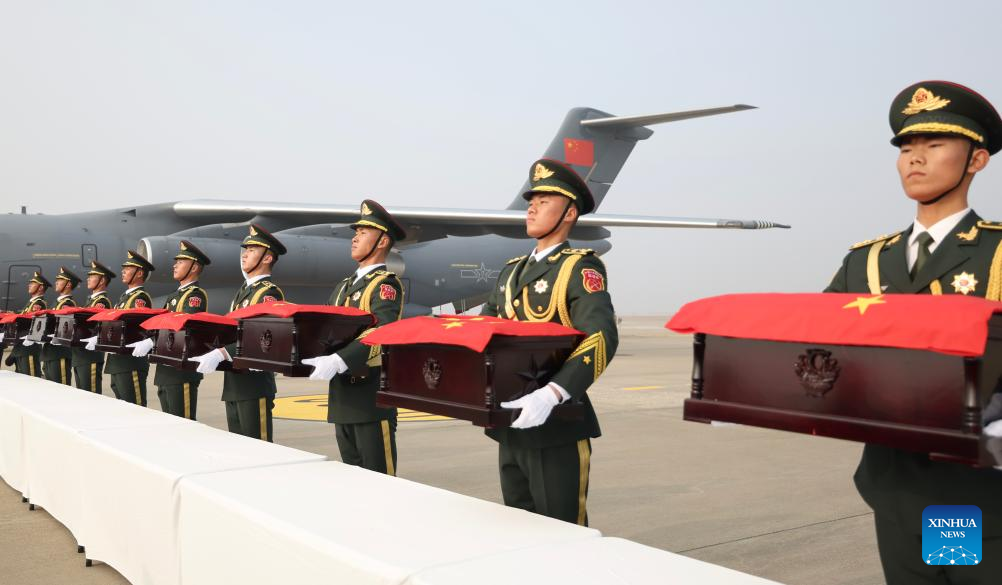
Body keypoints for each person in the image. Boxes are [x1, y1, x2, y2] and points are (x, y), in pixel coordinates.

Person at [825, 81, 1002, 584]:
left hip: (969, 489)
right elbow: (821, 343)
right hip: (892, 483)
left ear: (976, 160)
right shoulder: (866, 260)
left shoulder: (996, 253)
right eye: (906, 148)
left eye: (934, 144)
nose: (914, 159)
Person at [481, 158, 618, 525]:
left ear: (569, 213)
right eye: (532, 201)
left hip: (556, 424)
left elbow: (601, 336)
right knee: (521, 531)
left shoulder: (578, 267)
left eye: (544, 202)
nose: (532, 207)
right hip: (510, 424)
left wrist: (554, 393)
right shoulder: (511, 271)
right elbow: (482, 329)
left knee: (564, 531)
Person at [303, 200, 406, 475]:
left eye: (363, 232)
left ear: (382, 241)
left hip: (370, 398)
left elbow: (383, 331)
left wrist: (341, 359)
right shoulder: (342, 287)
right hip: (341, 397)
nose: (355, 238)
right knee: (354, 480)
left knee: (380, 481)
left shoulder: (385, 284)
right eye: (356, 232)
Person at [193, 224, 285, 441]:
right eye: (245, 249)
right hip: (235, 383)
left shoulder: (268, 294)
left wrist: (223, 353)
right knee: (241, 448)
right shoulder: (243, 292)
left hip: (254, 385)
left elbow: (263, 337)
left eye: (252, 250)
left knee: (259, 448)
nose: (244, 254)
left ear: (267, 258)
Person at [131, 241, 210, 419]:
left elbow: (183, 326)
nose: (175, 265)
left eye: (181, 262)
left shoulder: (195, 295)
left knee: (183, 423)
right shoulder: (175, 296)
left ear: (194, 267)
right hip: (166, 368)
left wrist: (152, 340)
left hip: (181, 371)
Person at [104, 250, 154, 406]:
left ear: (139, 273)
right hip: (118, 362)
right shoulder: (124, 298)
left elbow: (135, 328)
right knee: (123, 408)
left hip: (130, 362)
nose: (123, 271)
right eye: (123, 268)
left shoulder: (140, 298)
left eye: (128, 268)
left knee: (135, 407)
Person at [73, 261, 115, 393]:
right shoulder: (91, 300)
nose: (88, 278)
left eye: (92, 276)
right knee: (83, 395)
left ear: (102, 281)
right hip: (81, 355)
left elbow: (100, 327)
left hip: (90, 356)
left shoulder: (102, 302)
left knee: (91, 395)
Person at [39, 267, 81, 385]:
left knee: (61, 387)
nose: (56, 282)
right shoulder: (58, 302)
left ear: (68, 284)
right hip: (50, 353)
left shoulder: (68, 303)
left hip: (59, 353)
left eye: (60, 280)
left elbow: (65, 331)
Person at [9, 271, 49, 376]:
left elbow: (38, 326)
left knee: (31, 380)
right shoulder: (31, 303)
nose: (29, 285)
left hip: (29, 349)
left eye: (33, 283)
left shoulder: (39, 303)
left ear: (40, 287)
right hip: (22, 349)